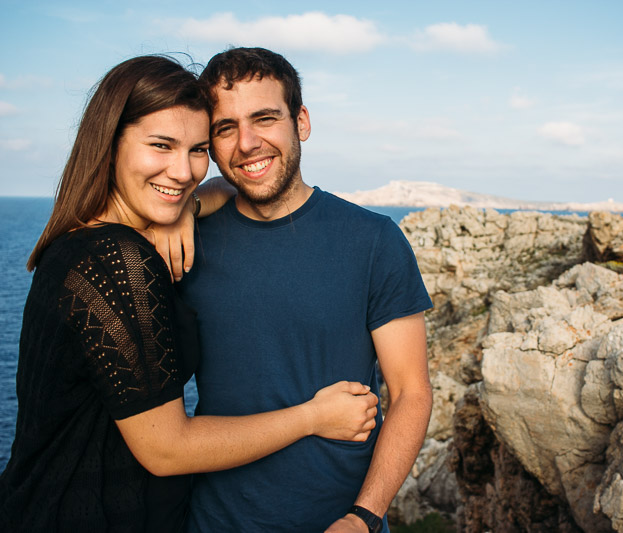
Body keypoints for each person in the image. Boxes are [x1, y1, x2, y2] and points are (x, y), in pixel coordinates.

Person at [0, 55, 378, 533]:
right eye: (161, 145)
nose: (182, 172)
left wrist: (187, 208)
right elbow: (167, 448)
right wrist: (314, 416)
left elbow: (221, 184)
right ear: (110, 142)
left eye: (198, 149)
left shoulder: (81, 243)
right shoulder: (119, 262)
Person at [170, 47, 434, 532]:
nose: (247, 143)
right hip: (214, 521)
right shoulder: (186, 242)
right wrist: (184, 208)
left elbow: (410, 392)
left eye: (265, 118)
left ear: (302, 122)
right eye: (225, 128)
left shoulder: (373, 240)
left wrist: (364, 516)